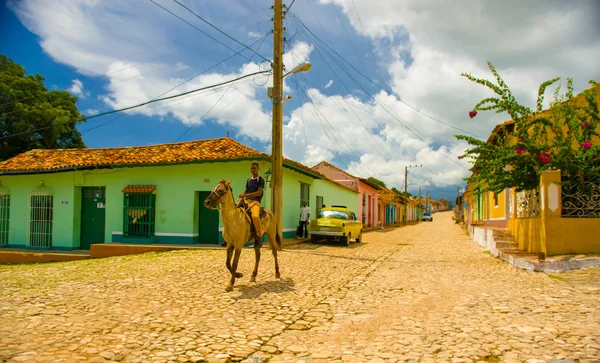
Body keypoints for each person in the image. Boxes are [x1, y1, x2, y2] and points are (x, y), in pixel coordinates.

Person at [239, 162, 266, 247]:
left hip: (255, 202)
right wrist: (241, 198)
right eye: (251, 168)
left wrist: (245, 195)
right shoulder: (249, 180)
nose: (252, 170)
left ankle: (258, 237)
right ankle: (227, 237)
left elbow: (259, 193)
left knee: (255, 217)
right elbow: (246, 191)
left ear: (258, 169)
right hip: (246, 201)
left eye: (254, 168)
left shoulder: (260, 180)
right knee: (234, 212)